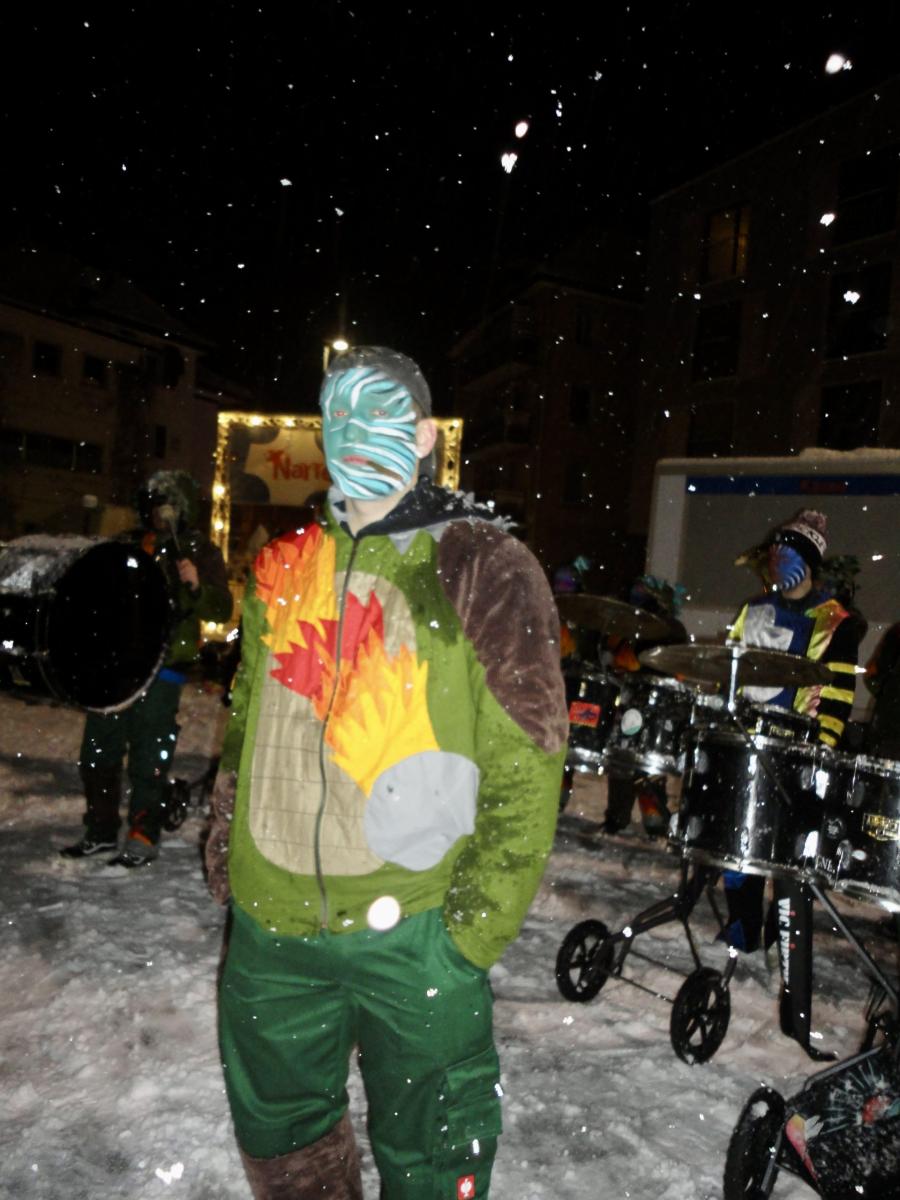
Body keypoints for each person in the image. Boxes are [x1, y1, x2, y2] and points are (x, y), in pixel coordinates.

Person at [204, 346, 568, 1199]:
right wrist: (229, 847)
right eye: (336, 414)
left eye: (378, 411)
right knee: (284, 1143)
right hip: (272, 931)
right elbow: (248, 722)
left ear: (425, 436)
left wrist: (469, 934)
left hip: (416, 930)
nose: (352, 430)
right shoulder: (284, 567)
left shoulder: (484, 565)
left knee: (434, 1155)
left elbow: (529, 759)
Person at [724, 508, 860, 1055]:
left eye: (788, 555)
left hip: (799, 750)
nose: (777, 564)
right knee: (737, 847)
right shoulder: (753, 608)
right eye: (774, 554)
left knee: (787, 862)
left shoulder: (837, 621)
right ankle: (743, 934)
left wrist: (819, 754)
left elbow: (840, 696)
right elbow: (731, 665)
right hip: (749, 740)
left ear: (807, 562)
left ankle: (789, 971)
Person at [61, 470, 232, 867]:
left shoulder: (198, 550)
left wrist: (196, 585)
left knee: (149, 755)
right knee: (98, 750)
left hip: (164, 665)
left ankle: (143, 833)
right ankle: (100, 830)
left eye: (168, 505)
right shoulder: (127, 543)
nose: (160, 512)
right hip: (117, 665)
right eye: (155, 504)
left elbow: (221, 609)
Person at [601, 575, 688, 837]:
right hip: (632, 697)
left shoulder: (670, 628)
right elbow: (617, 660)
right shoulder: (629, 625)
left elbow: (675, 666)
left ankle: (653, 818)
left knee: (650, 761)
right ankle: (618, 817)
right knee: (623, 758)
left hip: (658, 703)